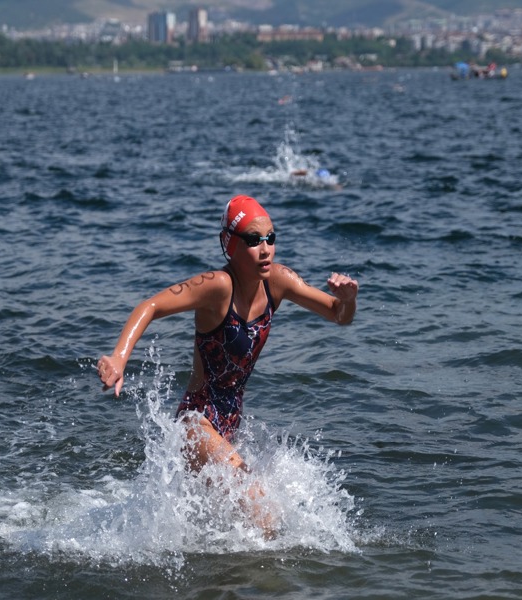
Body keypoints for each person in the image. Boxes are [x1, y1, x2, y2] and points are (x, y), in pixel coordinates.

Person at [96, 194, 359, 533]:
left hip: (231, 425)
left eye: (270, 238)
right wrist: (119, 357)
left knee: (224, 527)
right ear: (229, 244)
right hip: (196, 424)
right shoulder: (219, 287)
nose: (265, 248)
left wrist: (349, 300)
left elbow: (339, 315)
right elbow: (151, 306)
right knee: (261, 508)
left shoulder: (277, 281)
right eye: (252, 240)